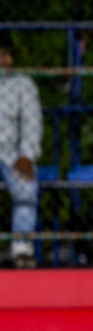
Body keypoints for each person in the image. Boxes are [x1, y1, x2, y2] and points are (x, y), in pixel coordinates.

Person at [0, 33, 41, 267]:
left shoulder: (21, 84)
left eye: (5, 54)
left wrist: (27, 154)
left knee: (26, 185)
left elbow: (31, 122)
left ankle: (21, 250)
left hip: (10, 155)